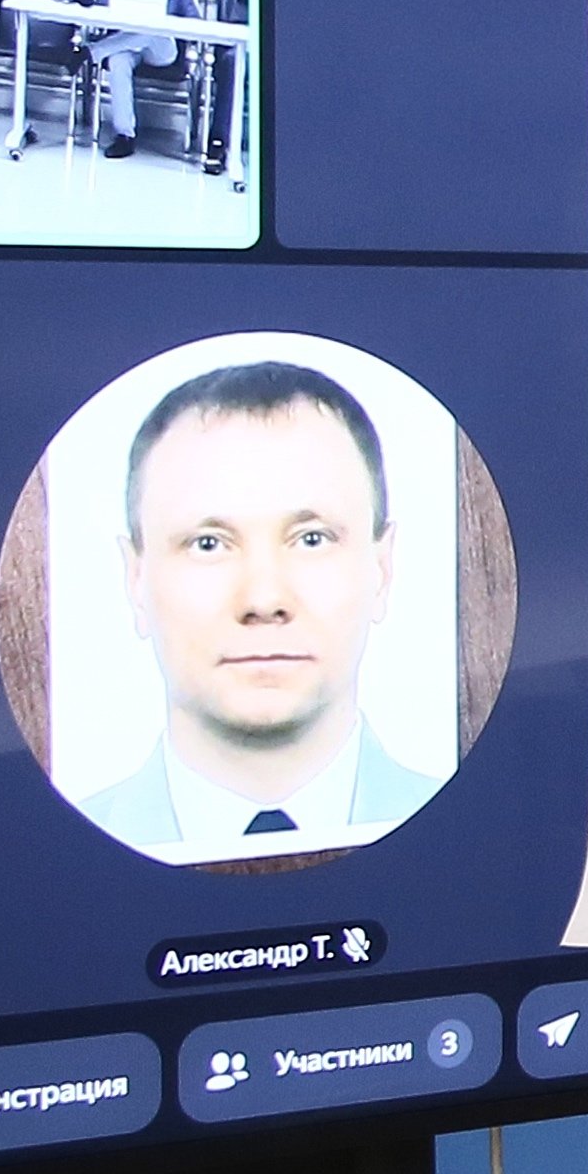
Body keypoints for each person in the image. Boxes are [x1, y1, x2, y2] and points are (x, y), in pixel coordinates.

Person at [77, 357, 442, 857]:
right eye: (208, 544)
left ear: (382, 569)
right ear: (134, 578)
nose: (263, 600)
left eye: (311, 539)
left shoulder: (492, 837)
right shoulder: (45, 862)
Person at [90, 0, 197, 158]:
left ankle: (92, 52)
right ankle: (124, 136)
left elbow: (193, 18)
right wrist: (90, 3)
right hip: (127, 45)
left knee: (151, 27)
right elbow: (102, 6)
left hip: (162, 49)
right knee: (118, 60)